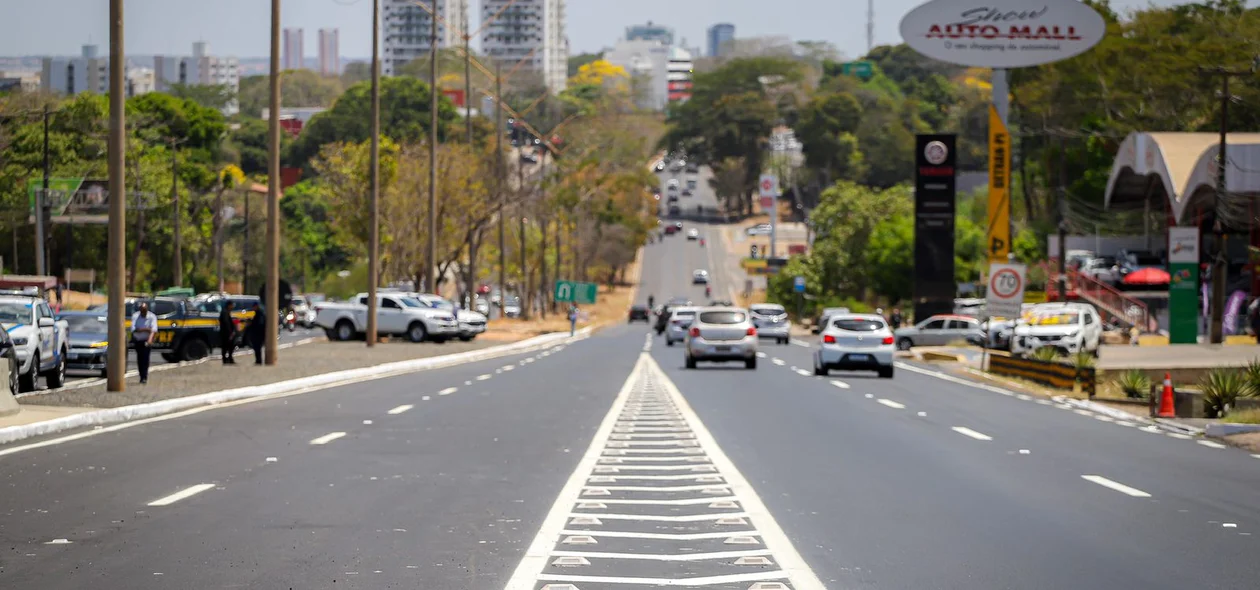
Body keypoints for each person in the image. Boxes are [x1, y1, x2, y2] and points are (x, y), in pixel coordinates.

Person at [131, 301, 157, 384]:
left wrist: (149, 339)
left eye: (144, 311)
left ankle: (144, 377)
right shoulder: (135, 316)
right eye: (142, 311)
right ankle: (141, 375)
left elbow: (153, 330)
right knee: (140, 358)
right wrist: (146, 329)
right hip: (138, 340)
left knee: (146, 358)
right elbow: (134, 330)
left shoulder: (152, 316)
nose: (143, 313)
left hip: (147, 340)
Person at [219, 300, 237, 364]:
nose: (232, 307)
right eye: (231, 305)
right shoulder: (224, 312)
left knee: (230, 347)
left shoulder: (227, 312)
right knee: (225, 347)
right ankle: (225, 360)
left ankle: (229, 359)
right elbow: (226, 323)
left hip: (228, 333)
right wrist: (230, 333)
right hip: (226, 333)